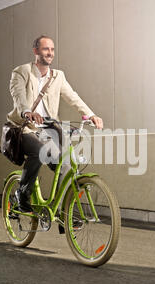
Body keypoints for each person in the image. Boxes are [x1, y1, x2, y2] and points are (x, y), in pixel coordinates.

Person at [6, 35, 103, 213]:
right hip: (24, 129)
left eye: (52, 49)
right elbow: (18, 95)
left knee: (66, 163)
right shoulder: (21, 72)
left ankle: (60, 212)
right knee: (38, 151)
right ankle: (22, 194)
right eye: (45, 49)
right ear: (36, 51)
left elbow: (73, 97)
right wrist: (27, 111)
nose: (49, 53)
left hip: (48, 130)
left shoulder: (58, 76)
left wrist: (90, 115)